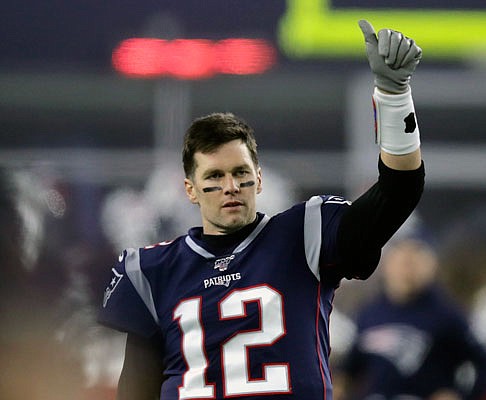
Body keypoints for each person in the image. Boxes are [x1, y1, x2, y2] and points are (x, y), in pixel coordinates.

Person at [97, 19, 425, 400]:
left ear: (259, 178)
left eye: (240, 173)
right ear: (189, 189)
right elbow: (135, 391)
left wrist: (394, 95)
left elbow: (398, 192)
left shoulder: (304, 235)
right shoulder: (153, 272)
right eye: (214, 176)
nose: (230, 186)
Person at [341, 239, 486, 400]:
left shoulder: (447, 314)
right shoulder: (369, 313)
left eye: (413, 262)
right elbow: (351, 367)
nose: (406, 271)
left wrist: (461, 395)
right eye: (401, 262)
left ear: (429, 266)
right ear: (387, 266)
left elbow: (485, 364)